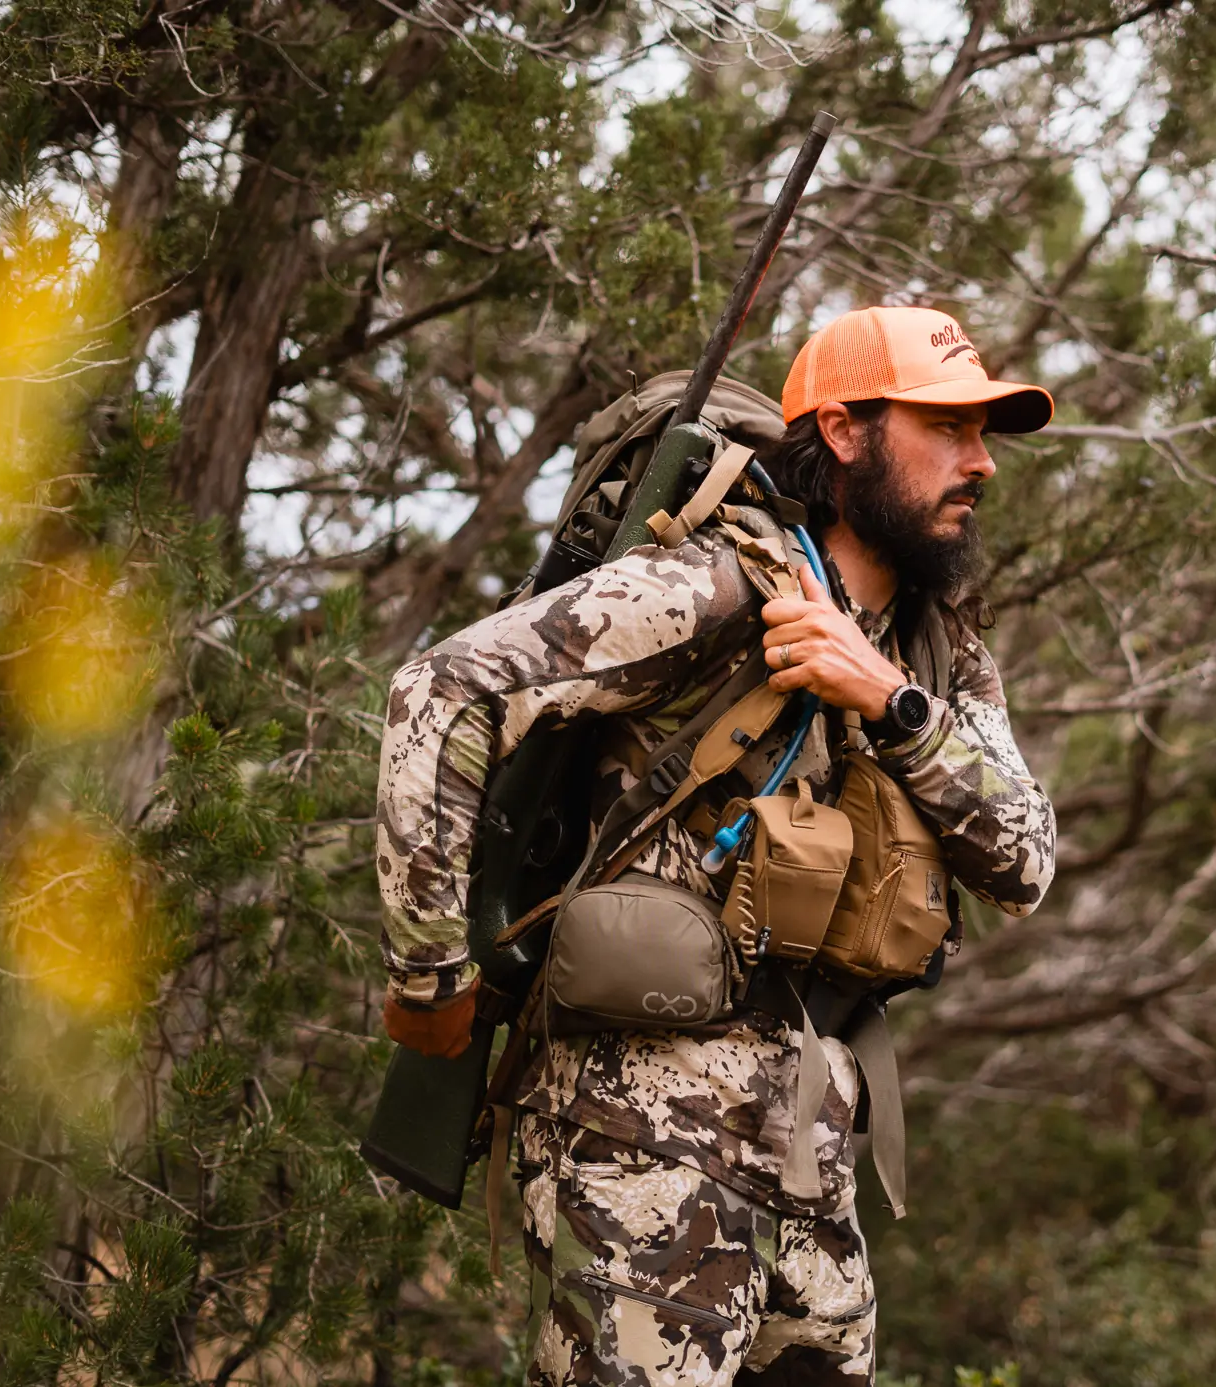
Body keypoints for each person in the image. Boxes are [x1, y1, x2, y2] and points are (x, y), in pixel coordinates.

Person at [374, 306, 1058, 1386]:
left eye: (985, 434)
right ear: (843, 431)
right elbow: (442, 691)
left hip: (811, 1172)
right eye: (947, 428)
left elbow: (1023, 861)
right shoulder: (720, 586)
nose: (979, 462)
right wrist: (428, 971)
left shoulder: (936, 651)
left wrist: (885, 699)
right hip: (642, 1151)